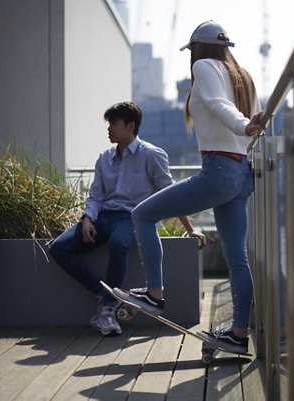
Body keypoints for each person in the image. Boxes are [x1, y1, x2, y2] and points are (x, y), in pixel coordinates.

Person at [113, 21, 264, 354]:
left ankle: (154, 293)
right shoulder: (244, 76)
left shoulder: (205, 66)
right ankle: (239, 334)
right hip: (241, 173)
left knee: (143, 215)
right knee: (237, 259)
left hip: (220, 169)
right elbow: (239, 116)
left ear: (197, 48)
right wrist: (246, 127)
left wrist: (243, 124)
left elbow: (219, 106)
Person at [49, 101, 205, 336]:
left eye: (114, 123)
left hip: (133, 219)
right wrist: (87, 219)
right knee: (58, 248)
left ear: (130, 126)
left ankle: (108, 309)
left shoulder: (152, 155)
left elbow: (170, 194)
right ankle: (106, 295)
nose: (109, 128)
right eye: (109, 123)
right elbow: (96, 195)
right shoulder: (104, 158)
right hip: (103, 218)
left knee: (118, 243)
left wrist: (190, 229)